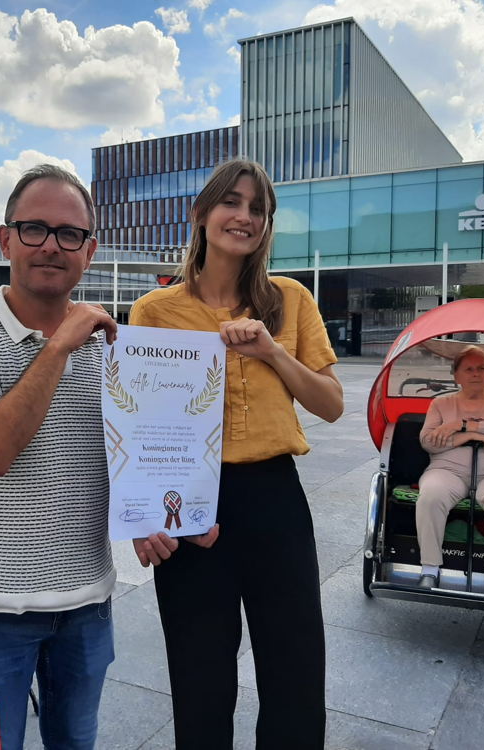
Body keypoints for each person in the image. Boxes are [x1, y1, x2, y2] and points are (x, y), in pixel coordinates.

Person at [0, 164, 177, 750]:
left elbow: (124, 453)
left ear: (88, 252)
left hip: (87, 600)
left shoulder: (110, 348)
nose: (51, 245)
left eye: (69, 234)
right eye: (34, 228)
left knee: (75, 741)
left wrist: (149, 514)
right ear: (5, 238)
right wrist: (59, 345)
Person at [128, 159, 343, 749]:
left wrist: (274, 353)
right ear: (200, 213)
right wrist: (145, 517)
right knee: (199, 672)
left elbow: (331, 404)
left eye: (258, 208)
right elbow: (140, 424)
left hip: (275, 496)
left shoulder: (291, 300)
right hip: (192, 498)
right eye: (233, 202)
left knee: (295, 665)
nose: (244, 217)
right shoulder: (155, 311)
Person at [415, 345, 484, 598]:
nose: (475, 374)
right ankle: (430, 568)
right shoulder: (440, 404)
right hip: (446, 469)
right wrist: (473, 436)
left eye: (481, 368)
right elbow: (428, 441)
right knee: (431, 496)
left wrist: (462, 424)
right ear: (457, 376)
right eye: (469, 369)